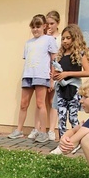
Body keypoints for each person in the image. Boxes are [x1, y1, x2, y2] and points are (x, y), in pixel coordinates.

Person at [8, 14, 57, 143]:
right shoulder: (28, 43)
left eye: (38, 26)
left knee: (40, 104)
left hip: (41, 75)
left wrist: (52, 79)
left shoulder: (49, 40)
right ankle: (19, 130)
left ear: (44, 26)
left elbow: (54, 60)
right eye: (33, 27)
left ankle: (42, 132)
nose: (35, 29)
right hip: (28, 75)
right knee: (23, 104)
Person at [50, 24, 89, 155]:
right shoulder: (60, 55)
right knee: (61, 117)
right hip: (61, 90)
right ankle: (62, 144)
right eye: (63, 38)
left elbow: (87, 72)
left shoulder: (80, 54)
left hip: (73, 90)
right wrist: (55, 76)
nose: (65, 41)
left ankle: (75, 142)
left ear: (75, 38)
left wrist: (67, 74)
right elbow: (56, 72)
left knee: (73, 118)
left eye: (68, 38)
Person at [28, 10, 61, 142]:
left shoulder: (58, 38)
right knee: (40, 102)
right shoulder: (43, 38)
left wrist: (54, 75)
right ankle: (38, 128)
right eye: (47, 24)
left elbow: (56, 58)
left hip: (54, 73)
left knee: (51, 102)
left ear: (57, 23)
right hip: (41, 73)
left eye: (52, 23)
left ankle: (52, 130)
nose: (49, 26)